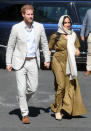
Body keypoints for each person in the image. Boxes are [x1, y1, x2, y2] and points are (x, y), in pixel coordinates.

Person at [6, 4, 50, 124]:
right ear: (23, 15)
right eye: (28, 14)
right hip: (20, 62)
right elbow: (10, 46)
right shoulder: (16, 28)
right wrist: (8, 62)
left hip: (33, 61)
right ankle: (25, 114)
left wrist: (47, 59)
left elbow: (44, 44)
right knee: (21, 89)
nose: (31, 16)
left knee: (33, 88)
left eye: (32, 14)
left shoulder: (39, 27)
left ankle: (21, 99)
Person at [49, 15, 87, 120]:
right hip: (57, 60)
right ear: (61, 23)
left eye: (69, 22)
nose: (67, 24)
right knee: (61, 85)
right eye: (65, 22)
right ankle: (57, 110)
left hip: (69, 63)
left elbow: (77, 49)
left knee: (67, 86)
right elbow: (49, 48)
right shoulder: (55, 35)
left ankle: (64, 108)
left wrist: (76, 52)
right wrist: (47, 61)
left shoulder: (73, 35)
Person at [81, 9, 91, 75]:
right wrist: (82, 34)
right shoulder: (89, 11)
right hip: (90, 34)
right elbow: (84, 23)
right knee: (90, 52)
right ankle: (88, 69)